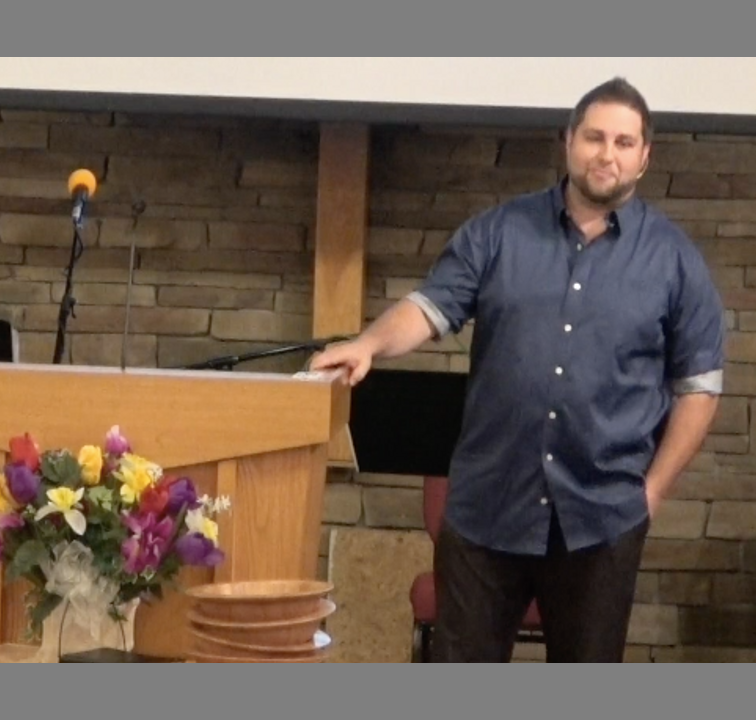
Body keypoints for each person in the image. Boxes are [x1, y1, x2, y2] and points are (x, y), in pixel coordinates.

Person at [310, 77, 725, 663]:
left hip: (602, 521)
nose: (607, 154)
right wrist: (369, 344)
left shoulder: (675, 260)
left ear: (644, 156)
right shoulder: (498, 232)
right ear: (568, 141)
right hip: (486, 511)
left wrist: (651, 494)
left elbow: (699, 388)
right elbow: (430, 307)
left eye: (624, 142)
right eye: (594, 137)